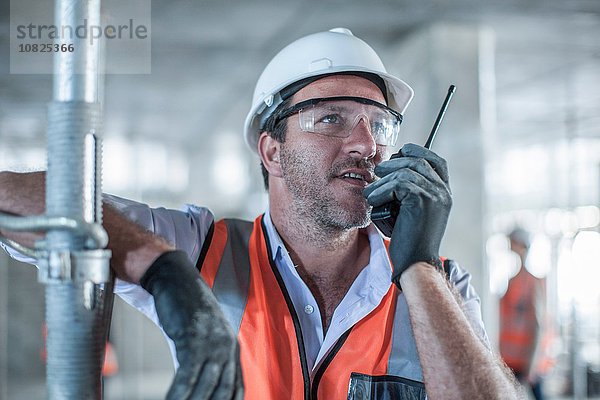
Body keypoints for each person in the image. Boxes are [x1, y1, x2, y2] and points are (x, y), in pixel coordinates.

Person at [1, 28, 521, 399]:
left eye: (380, 125)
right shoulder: (203, 249)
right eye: (332, 118)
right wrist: (164, 271)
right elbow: (13, 195)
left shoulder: (443, 286)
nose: (367, 145)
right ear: (272, 151)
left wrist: (418, 268)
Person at [500, 228, 552, 400]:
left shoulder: (532, 283)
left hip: (527, 361)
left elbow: (538, 326)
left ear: (522, 246)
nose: (510, 246)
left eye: (513, 242)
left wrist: (533, 364)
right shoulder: (512, 281)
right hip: (511, 361)